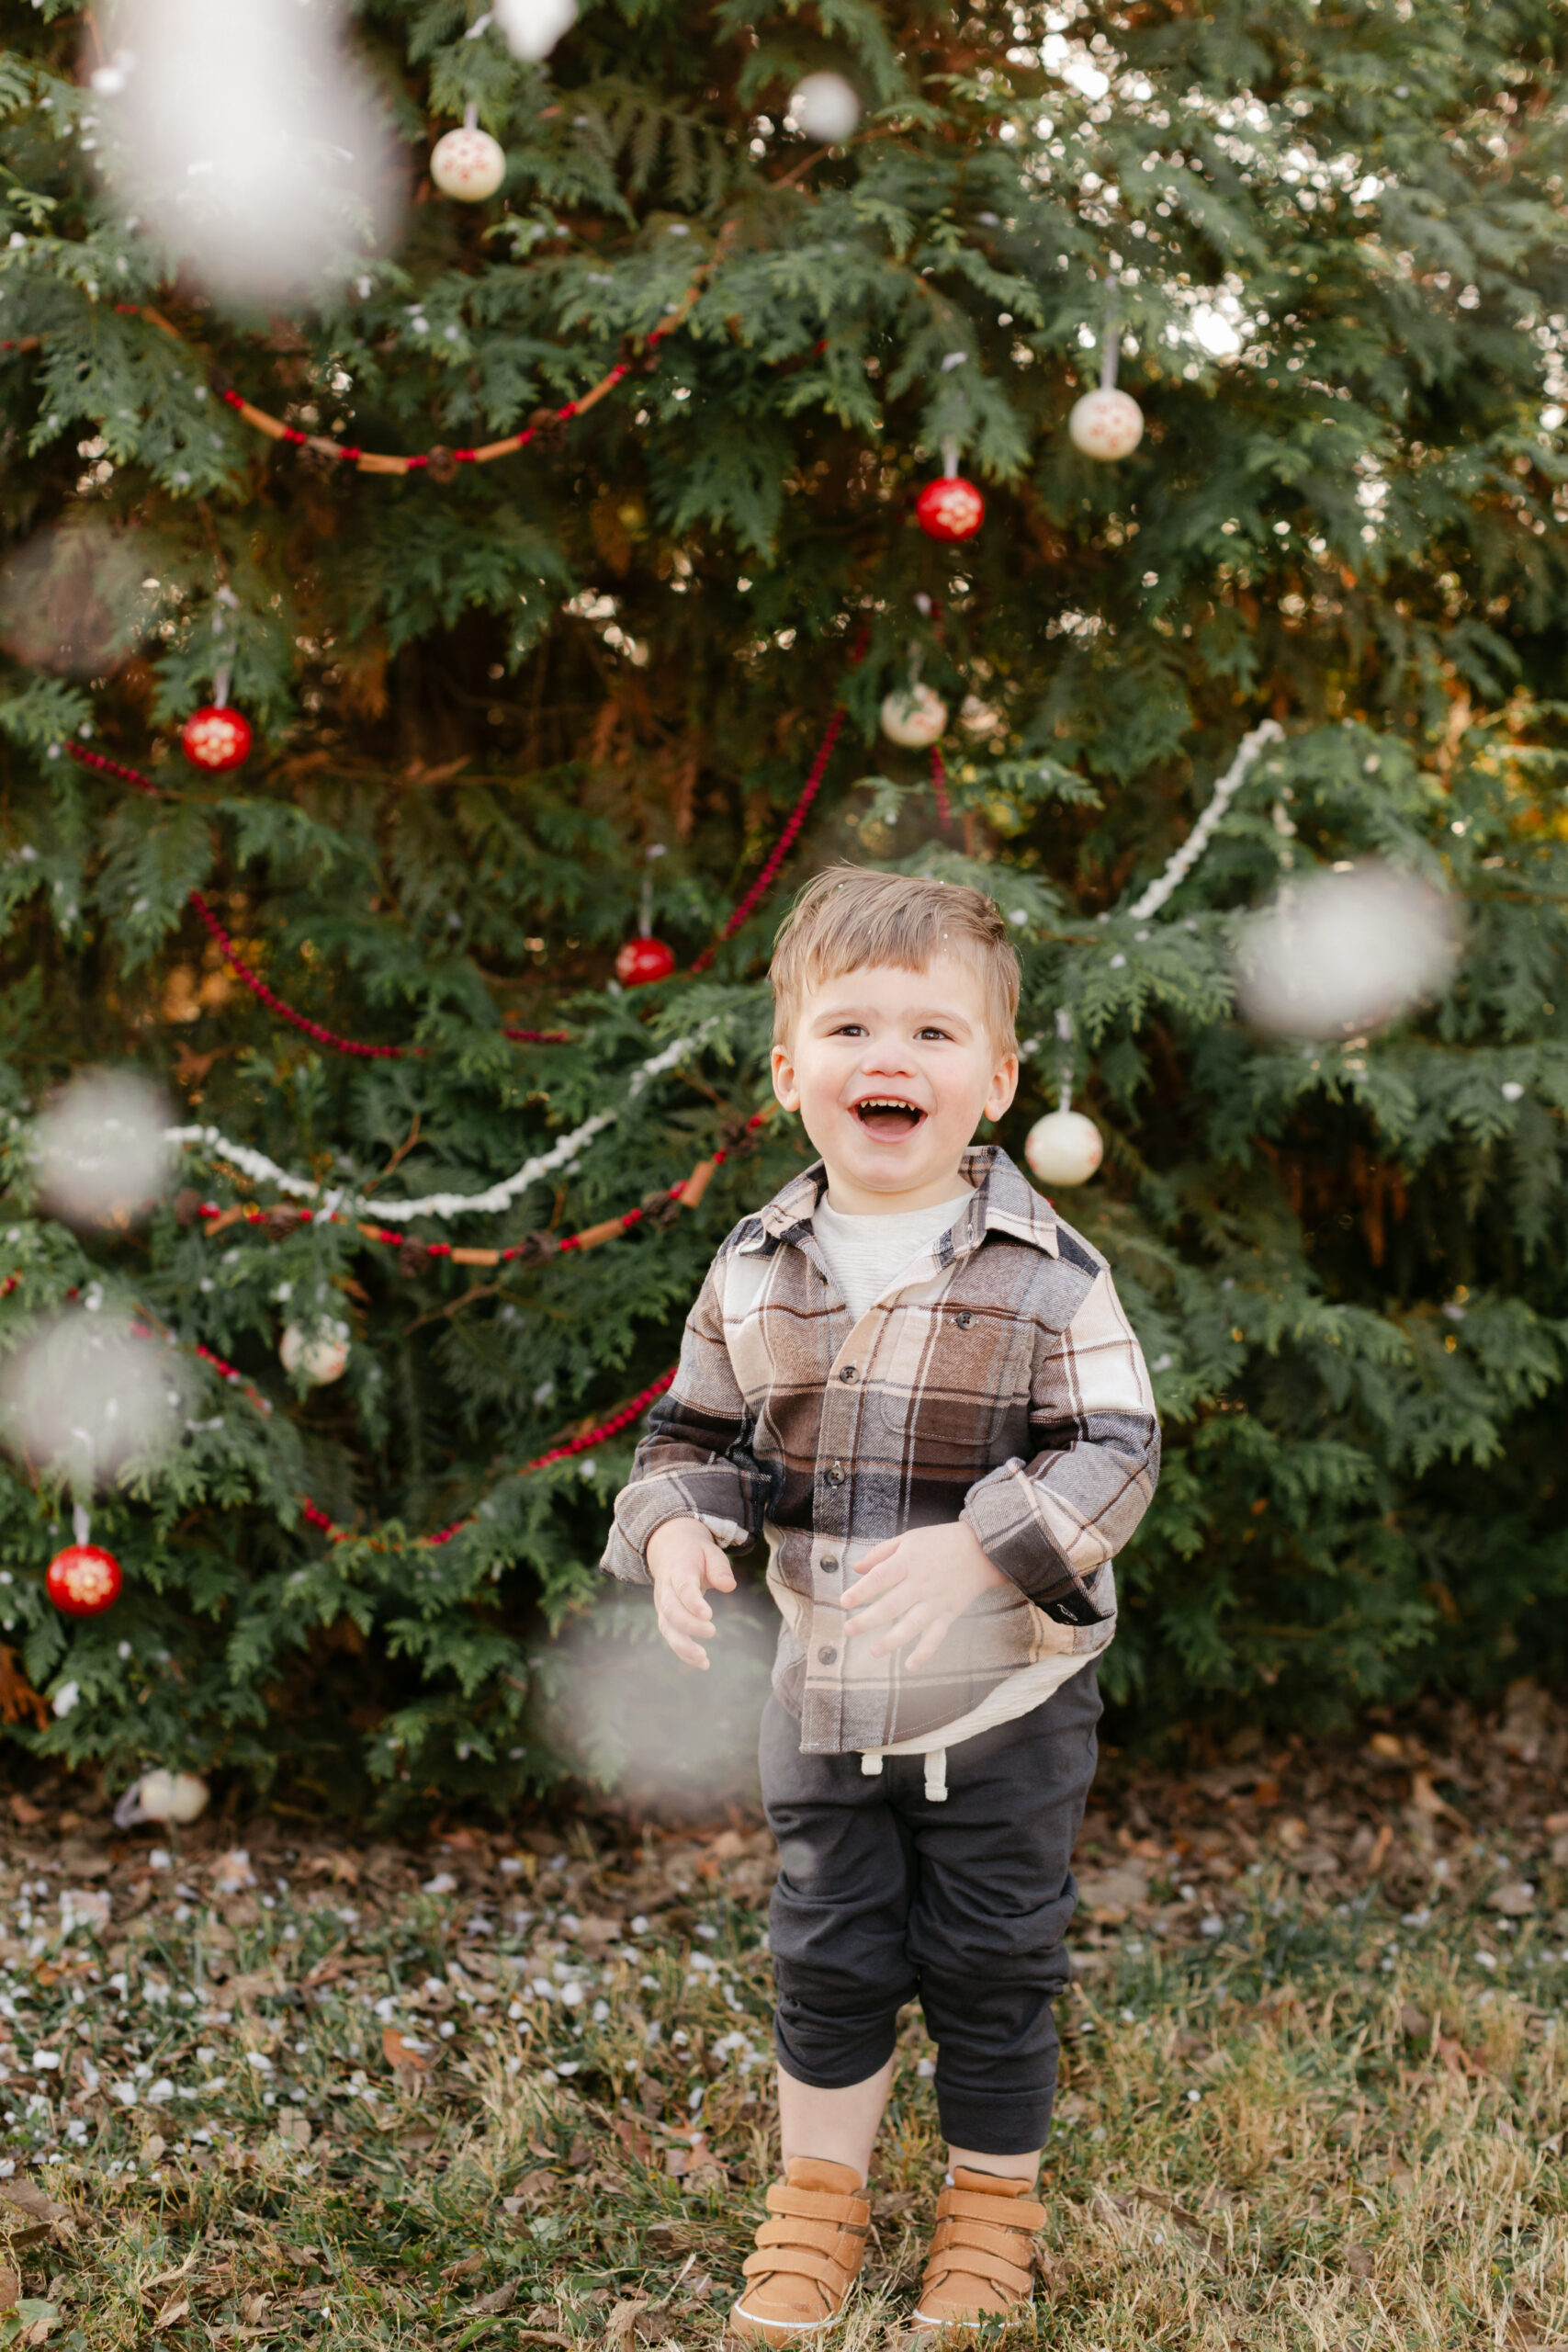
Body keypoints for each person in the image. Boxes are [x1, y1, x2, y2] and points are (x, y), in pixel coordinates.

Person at [603, 866, 1159, 2342]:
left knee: (993, 1956)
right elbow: (697, 1445)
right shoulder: (752, 1270)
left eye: (931, 1032)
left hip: (1012, 1702)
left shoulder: (1051, 1276)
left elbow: (1117, 1447)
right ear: (793, 1071)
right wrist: (673, 1537)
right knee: (828, 1949)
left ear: (997, 1075)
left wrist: (988, 1548)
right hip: (823, 1691)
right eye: (851, 1030)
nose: (890, 1060)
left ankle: (989, 2207)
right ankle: (819, 2204)